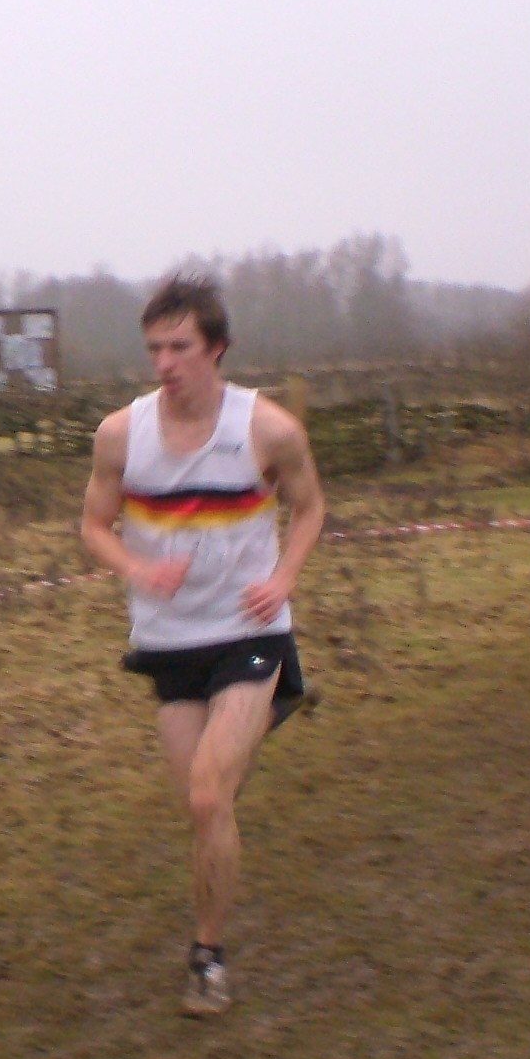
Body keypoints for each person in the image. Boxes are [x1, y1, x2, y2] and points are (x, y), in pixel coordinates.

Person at [80, 273, 325, 1017]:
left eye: (180, 347)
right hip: (168, 641)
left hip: (249, 631)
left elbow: (310, 508)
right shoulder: (121, 435)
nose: (165, 363)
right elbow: (93, 525)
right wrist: (137, 568)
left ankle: (207, 957)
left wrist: (283, 578)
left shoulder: (269, 430)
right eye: (154, 348)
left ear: (217, 348)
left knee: (211, 791)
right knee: (201, 806)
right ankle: (259, 713)